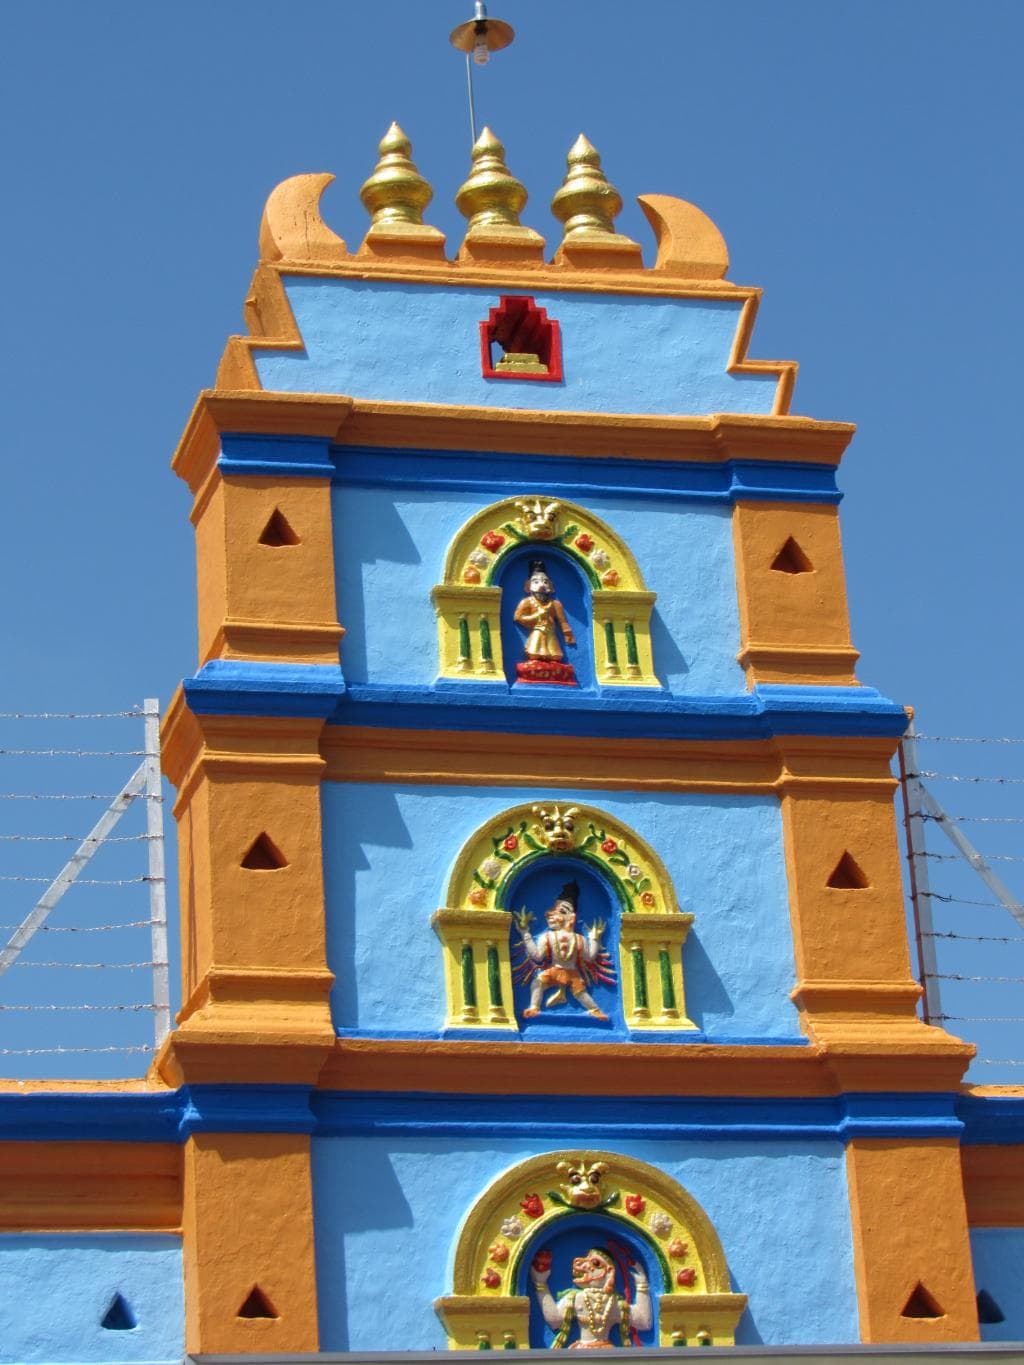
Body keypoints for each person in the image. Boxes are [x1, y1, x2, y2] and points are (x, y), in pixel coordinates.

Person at [514, 881, 613, 1020]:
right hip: (554, 970)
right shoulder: (547, 937)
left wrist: (594, 939)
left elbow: (589, 958)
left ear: (571, 917)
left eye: (561, 911)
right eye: (554, 910)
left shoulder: (579, 939)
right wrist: (526, 934)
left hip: (572, 973)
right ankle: (534, 1007)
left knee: (580, 993)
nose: (551, 914)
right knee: (537, 983)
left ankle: (595, 1010)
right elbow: (537, 956)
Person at [530, 1246, 652, 1349]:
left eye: (595, 1263)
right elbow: (555, 1320)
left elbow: (643, 1322)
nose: (586, 1266)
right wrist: (541, 1285)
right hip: (581, 1351)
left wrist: (642, 1286)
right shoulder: (576, 1297)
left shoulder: (614, 1302)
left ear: (609, 1271)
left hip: (607, 1352)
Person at [513, 560, 576, 679]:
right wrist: (536, 616)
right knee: (534, 653)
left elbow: (562, 621)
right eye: (536, 582)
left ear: (551, 587)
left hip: (550, 631)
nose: (541, 585)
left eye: (545, 582)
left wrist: (568, 633)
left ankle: (552, 664)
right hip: (537, 630)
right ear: (529, 586)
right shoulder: (527, 602)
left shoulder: (555, 604)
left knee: (555, 655)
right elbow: (518, 617)